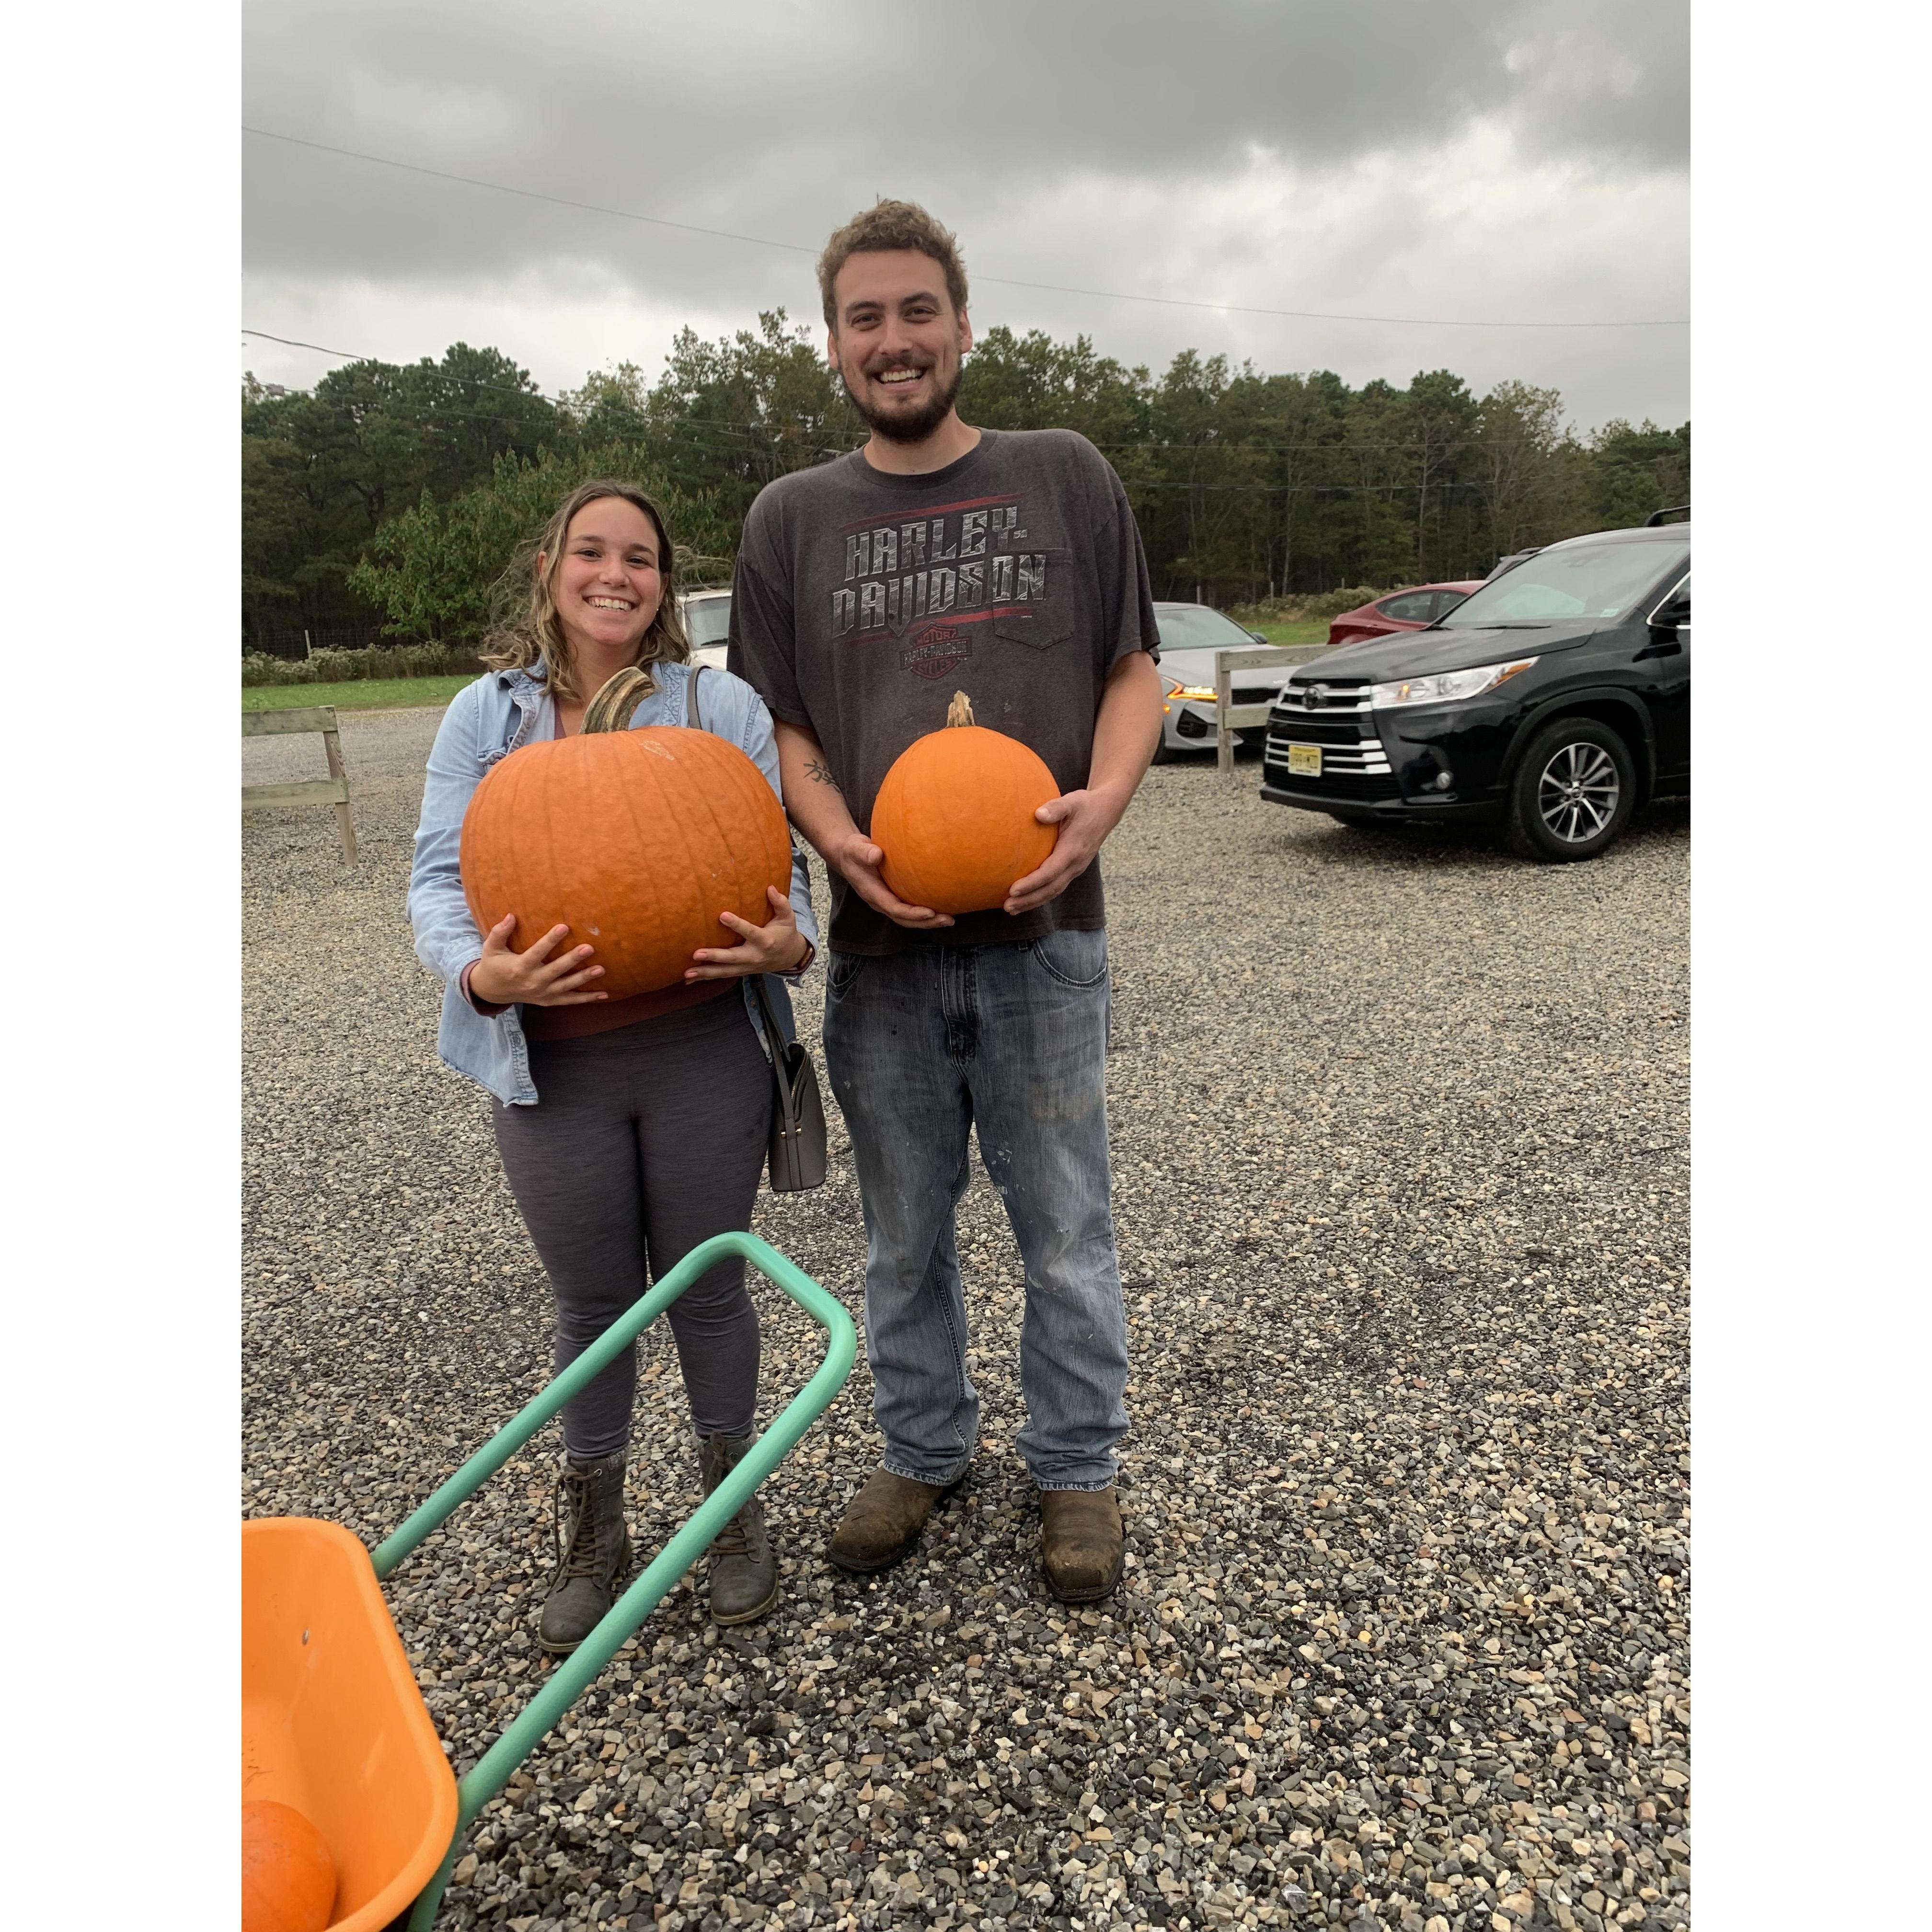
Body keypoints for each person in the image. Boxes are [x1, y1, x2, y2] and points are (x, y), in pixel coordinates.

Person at [727, 201, 1164, 1603]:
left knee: (1066, 1225)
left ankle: (1076, 1469)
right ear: (836, 345)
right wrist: (841, 837)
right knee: (901, 1229)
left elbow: (1131, 672)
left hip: (1046, 940)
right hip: (886, 952)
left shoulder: (1065, 475)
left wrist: (1103, 802)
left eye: (920, 312)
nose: (896, 341)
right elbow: (781, 724)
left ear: (963, 327)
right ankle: (923, 1448)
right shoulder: (790, 519)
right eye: (868, 318)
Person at [408, 479, 820, 1651]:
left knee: (708, 1284)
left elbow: (774, 865)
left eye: (639, 558)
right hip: (554, 1067)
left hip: (703, 1052)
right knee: (593, 1305)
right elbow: (440, 879)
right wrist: (478, 977)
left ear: (663, 582)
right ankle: (595, 1525)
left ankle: (731, 1514)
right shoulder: (485, 719)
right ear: (552, 569)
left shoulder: (715, 702)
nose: (616, 576)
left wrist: (792, 940)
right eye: (592, 553)